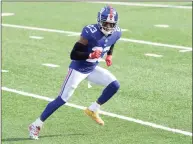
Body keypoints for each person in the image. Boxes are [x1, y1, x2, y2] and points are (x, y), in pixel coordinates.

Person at [29, 5, 122, 140]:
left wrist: (109, 55)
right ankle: (36, 124)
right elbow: (74, 54)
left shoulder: (117, 32)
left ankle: (93, 109)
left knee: (114, 85)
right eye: (106, 23)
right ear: (99, 20)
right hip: (78, 69)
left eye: (111, 24)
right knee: (62, 99)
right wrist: (90, 55)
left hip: (92, 68)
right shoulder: (90, 32)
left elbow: (112, 42)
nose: (108, 27)